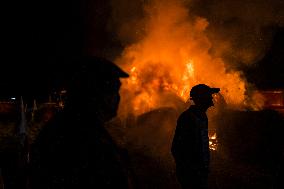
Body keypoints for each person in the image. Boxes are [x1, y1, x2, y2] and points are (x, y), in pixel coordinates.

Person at [29, 56, 130, 189]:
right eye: (114, 89)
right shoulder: (81, 136)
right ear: (95, 92)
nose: (117, 97)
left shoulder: (71, 127)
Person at [171, 84, 220, 189]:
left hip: (200, 173)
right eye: (209, 95)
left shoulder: (202, 116)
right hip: (191, 174)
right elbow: (177, 148)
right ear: (201, 98)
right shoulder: (187, 118)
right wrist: (189, 170)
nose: (212, 98)